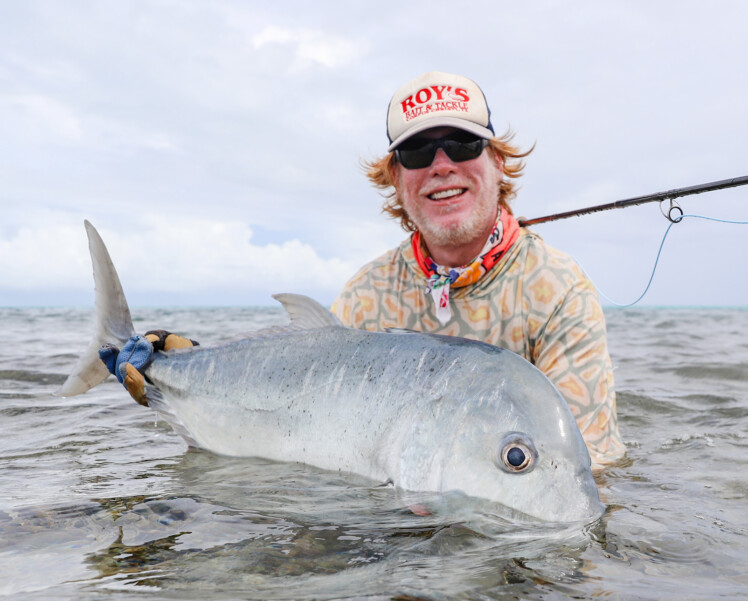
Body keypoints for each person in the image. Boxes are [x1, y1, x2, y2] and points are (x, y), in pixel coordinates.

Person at [330, 71, 624, 468]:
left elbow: (586, 471)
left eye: (463, 144)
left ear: (498, 162)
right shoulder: (362, 299)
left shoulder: (559, 291)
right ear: (396, 179)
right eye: (417, 152)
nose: (441, 166)